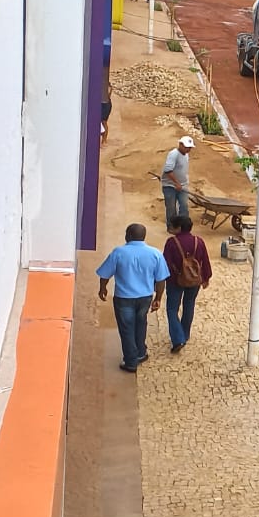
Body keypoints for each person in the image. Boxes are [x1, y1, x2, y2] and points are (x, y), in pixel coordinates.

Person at [96, 223, 170, 373]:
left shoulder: (118, 252)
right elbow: (161, 279)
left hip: (124, 298)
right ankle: (141, 352)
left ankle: (130, 362)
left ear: (127, 236)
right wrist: (158, 298)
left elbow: (105, 274)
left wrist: (102, 288)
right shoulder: (155, 254)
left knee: (126, 328)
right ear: (144, 236)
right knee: (141, 323)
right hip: (145, 297)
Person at [162, 215, 212, 353]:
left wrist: (159, 280)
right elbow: (205, 261)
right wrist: (206, 278)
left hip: (174, 280)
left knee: (172, 309)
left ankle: (178, 339)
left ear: (178, 228)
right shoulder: (199, 241)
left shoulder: (171, 243)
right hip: (194, 280)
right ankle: (185, 334)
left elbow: (165, 263)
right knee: (189, 305)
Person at [162, 136, 193, 225]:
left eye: (190, 148)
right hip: (170, 186)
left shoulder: (186, 155)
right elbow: (168, 170)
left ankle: (183, 227)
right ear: (180, 144)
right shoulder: (173, 154)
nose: (188, 149)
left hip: (182, 186)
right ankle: (172, 227)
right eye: (187, 147)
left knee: (184, 206)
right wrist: (176, 183)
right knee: (171, 208)